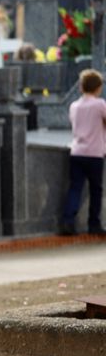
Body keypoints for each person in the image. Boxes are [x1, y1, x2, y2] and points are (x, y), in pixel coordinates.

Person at [61, 69, 106, 236]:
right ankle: (94, 224)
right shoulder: (100, 104)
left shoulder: (74, 106)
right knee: (96, 189)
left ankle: (68, 221)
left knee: (75, 188)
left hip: (77, 152)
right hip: (95, 153)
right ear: (98, 87)